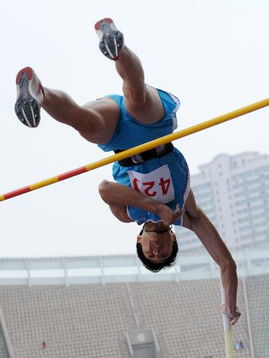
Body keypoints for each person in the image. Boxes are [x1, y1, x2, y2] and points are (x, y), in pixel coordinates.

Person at [14, 18, 240, 324]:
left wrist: (153, 207)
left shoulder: (127, 215)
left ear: (139, 243)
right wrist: (229, 305)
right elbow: (226, 264)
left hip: (119, 143)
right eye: (163, 253)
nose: (157, 250)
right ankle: (115, 46)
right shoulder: (189, 214)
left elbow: (106, 189)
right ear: (173, 241)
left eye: (151, 253)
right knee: (137, 98)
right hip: (156, 133)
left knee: (86, 125)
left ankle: (37, 92)